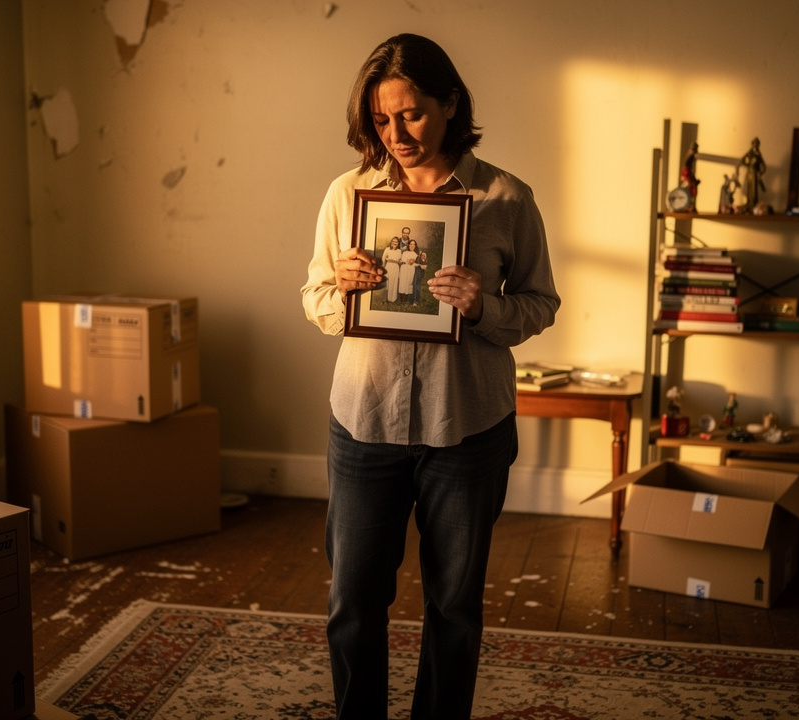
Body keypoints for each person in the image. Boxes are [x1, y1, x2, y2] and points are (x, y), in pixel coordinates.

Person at [300, 33, 560, 720]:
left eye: (410, 114)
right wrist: (344, 292)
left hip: (467, 426)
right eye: (381, 120)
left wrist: (483, 307)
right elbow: (314, 299)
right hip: (364, 423)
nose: (396, 134)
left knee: (454, 606)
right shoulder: (348, 194)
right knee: (353, 600)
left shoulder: (505, 198)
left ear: (449, 103)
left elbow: (541, 304)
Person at [382, 236, 403, 302]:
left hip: (396, 267)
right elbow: (383, 259)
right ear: (391, 242)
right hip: (388, 267)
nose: (394, 243)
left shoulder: (399, 251)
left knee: (394, 282)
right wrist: (383, 267)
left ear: (398, 243)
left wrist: (399, 262)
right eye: (393, 241)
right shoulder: (387, 249)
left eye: (396, 242)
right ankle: (385, 299)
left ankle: (393, 298)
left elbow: (400, 260)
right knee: (387, 282)